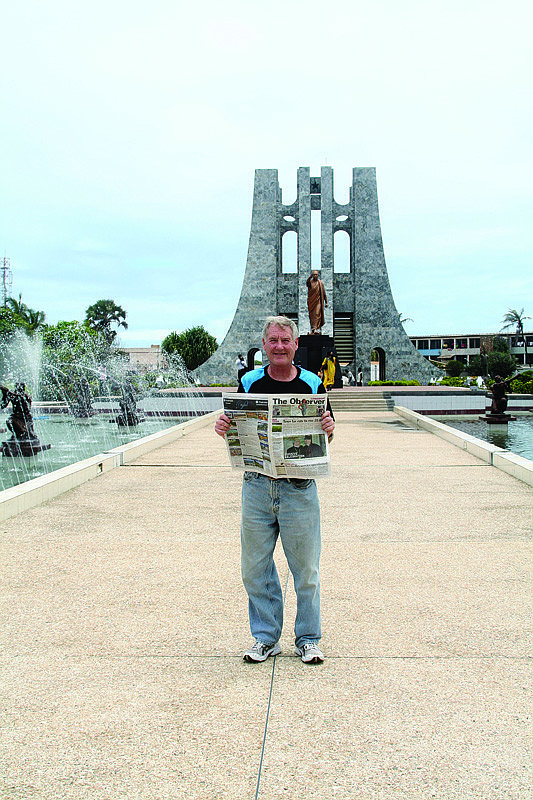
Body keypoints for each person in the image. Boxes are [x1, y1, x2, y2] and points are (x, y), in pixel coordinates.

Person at [215, 316, 335, 664]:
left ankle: (308, 637)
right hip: (256, 486)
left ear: (295, 345)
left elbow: (327, 434)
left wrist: (327, 427)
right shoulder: (249, 381)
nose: (279, 346)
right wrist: (224, 425)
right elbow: (234, 425)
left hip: (298, 487)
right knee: (254, 567)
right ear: (264, 345)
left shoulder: (313, 384)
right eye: (273, 340)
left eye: (285, 340)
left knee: (306, 569)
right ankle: (266, 637)